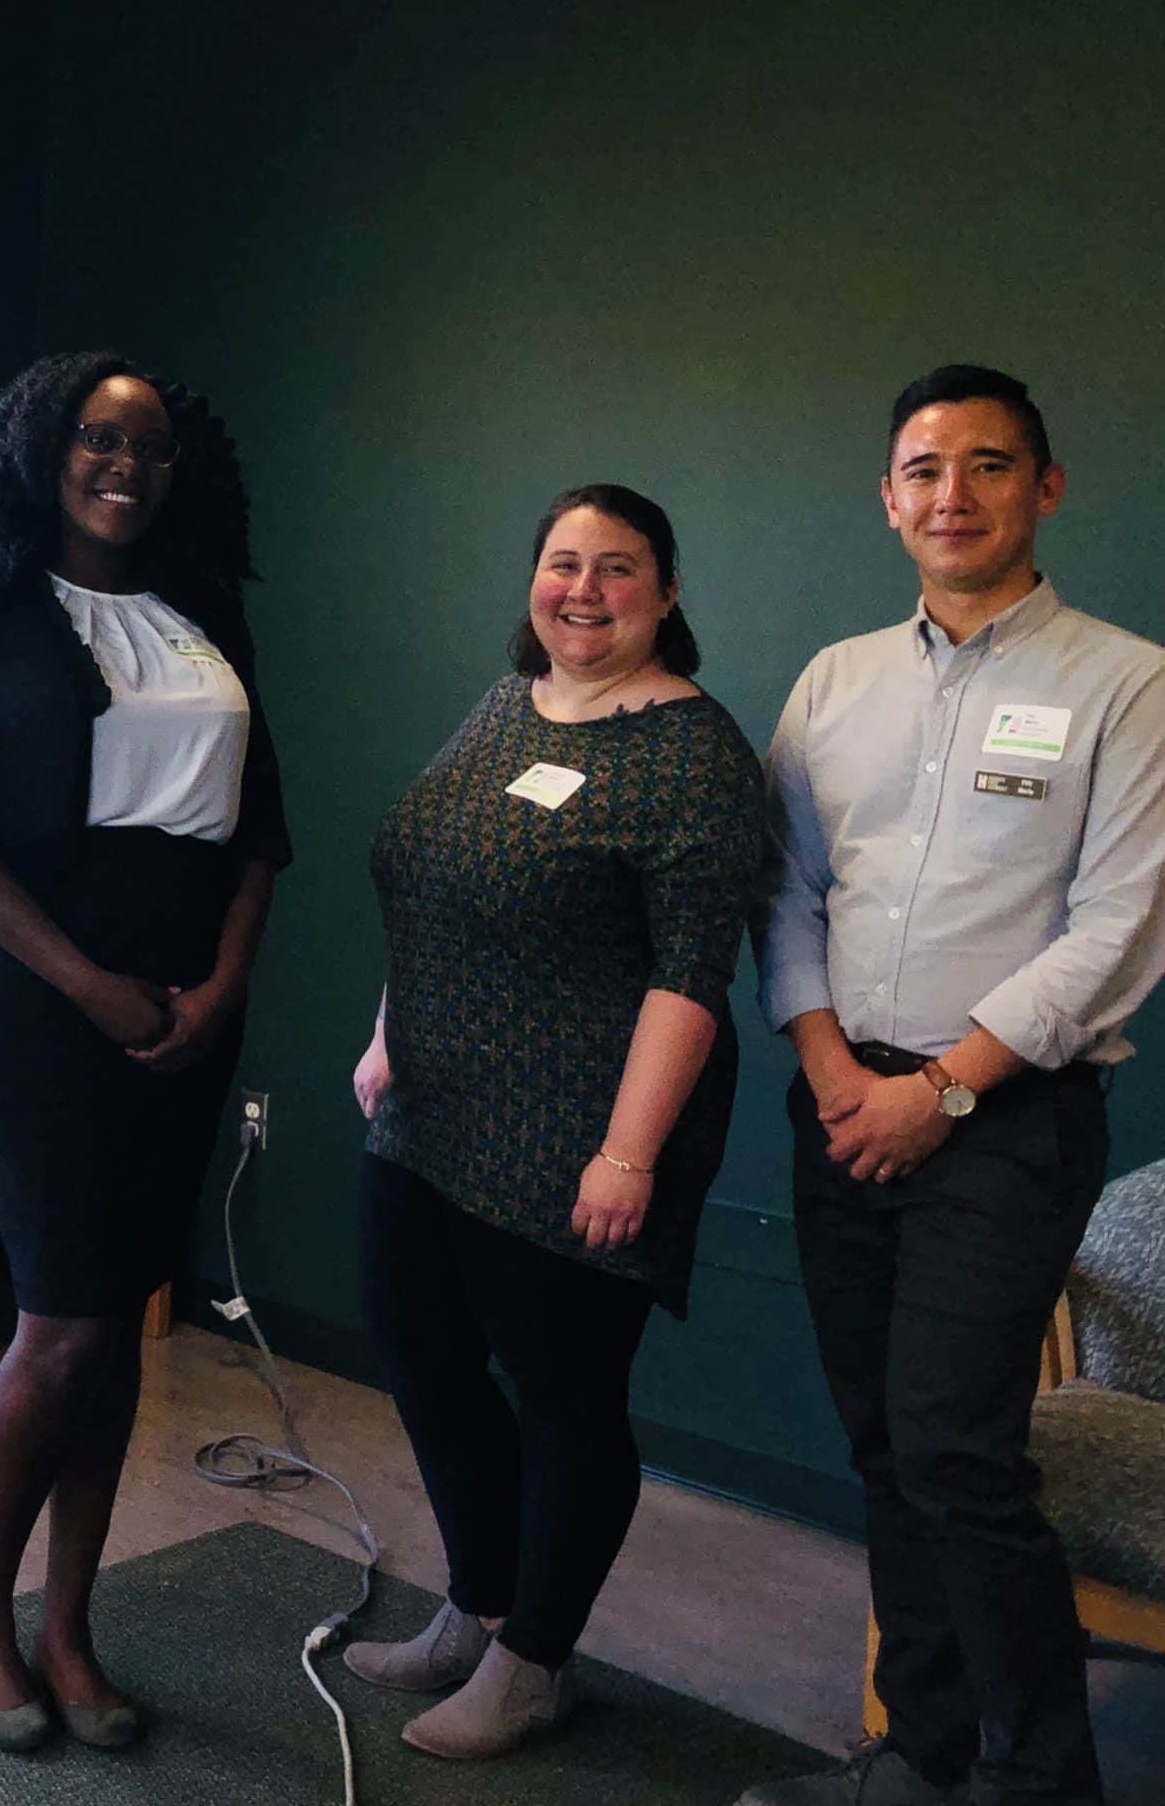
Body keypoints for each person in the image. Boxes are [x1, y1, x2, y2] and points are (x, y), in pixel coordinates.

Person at [741, 366, 1165, 1806]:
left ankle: (1039, 1783)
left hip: (1007, 1121)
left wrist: (945, 1089)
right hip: (839, 1100)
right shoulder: (836, 679)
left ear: (1044, 489)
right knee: (880, 1444)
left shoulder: (1125, 678)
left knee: (955, 1449)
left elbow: (1118, 928)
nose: (953, 496)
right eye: (924, 470)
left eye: (989, 467)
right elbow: (789, 891)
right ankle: (916, 1759)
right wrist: (828, 1065)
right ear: (888, 499)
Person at [0, 351, 289, 1753]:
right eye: (95, 438)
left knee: (118, 1326)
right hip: (49, 1006)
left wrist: (222, 988)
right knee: (59, 1322)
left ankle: (72, 1626)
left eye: (149, 446)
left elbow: (261, 829)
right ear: (42, 451)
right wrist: (90, 988)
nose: (124, 464)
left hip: (189, 1013)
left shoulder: (206, 613)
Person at [349, 484, 763, 1759]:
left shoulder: (693, 752)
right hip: (430, 1110)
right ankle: (476, 1607)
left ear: (668, 591)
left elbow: (691, 972)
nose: (582, 590)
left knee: (566, 1397)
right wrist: (382, 1029)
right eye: (561, 562)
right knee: (422, 1359)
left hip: (579, 1133)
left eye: (617, 568)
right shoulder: (503, 702)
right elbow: (435, 879)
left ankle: (535, 1660)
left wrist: (628, 1152)